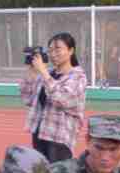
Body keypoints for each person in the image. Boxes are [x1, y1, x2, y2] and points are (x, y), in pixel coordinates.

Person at [19, 31, 88, 162]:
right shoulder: (48, 74)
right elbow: (28, 98)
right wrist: (32, 71)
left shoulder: (78, 76)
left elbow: (62, 100)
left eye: (58, 49)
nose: (53, 54)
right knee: (40, 172)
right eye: (50, 50)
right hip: (39, 134)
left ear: (71, 51)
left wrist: (43, 72)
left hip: (59, 138)